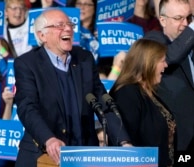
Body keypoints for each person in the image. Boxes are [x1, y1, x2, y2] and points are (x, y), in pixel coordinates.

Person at [14, 9, 131, 167]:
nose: (68, 29)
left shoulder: (84, 59)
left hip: (84, 155)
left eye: (70, 24)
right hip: (43, 155)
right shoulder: (27, 64)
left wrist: (124, 142)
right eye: (60, 25)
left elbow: (104, 105)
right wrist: (48, 139)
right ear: (42, 36)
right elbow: (27, 108)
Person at [109, 38, 175, 167]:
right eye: (162, 61)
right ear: (148, 63)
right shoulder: (127, 93)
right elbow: (126, 140)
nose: (166, 65)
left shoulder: (151, 92)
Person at [144, 0, 194, 151]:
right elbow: (170, 56)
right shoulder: (152, 40)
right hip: (175, 140)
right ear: (163, 20)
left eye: (189, 18)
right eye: (179, 18)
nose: (185, 23)